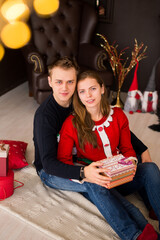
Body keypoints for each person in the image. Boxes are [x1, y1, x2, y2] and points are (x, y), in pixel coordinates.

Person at [33, 57, 159, 239]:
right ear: (50, 81)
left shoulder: (80, 98)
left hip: (78, 159)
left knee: (145, 168)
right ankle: (136, 234)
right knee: (95, 182)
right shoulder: (45, 116)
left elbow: (115, 125)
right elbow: (49, 164)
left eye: (70, 82)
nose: (64, 88)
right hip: (51, 170)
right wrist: (83, 173)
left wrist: (142, 149)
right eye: (59, 82)